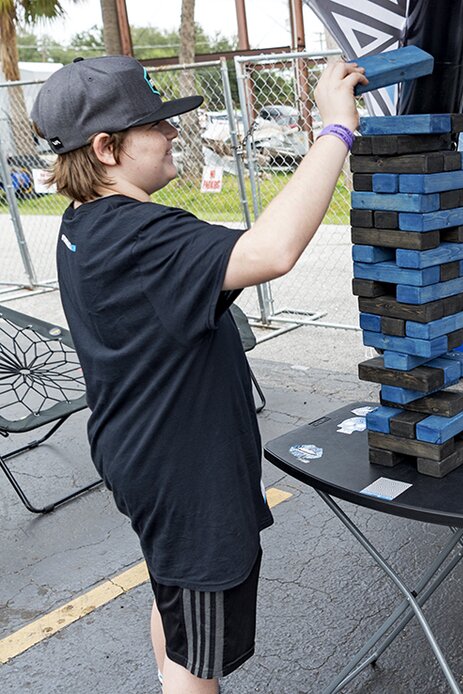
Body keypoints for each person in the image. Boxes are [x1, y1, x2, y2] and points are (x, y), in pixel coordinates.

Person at [30, 56, 367, 693]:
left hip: (145, 456)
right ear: (107, 148)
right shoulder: (136, 236)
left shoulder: (85, 224)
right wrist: (335, 131)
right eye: (156, 124)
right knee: (199, 657)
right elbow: (271, 251)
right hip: (188, 480)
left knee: (175, 603)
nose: (173, 133)